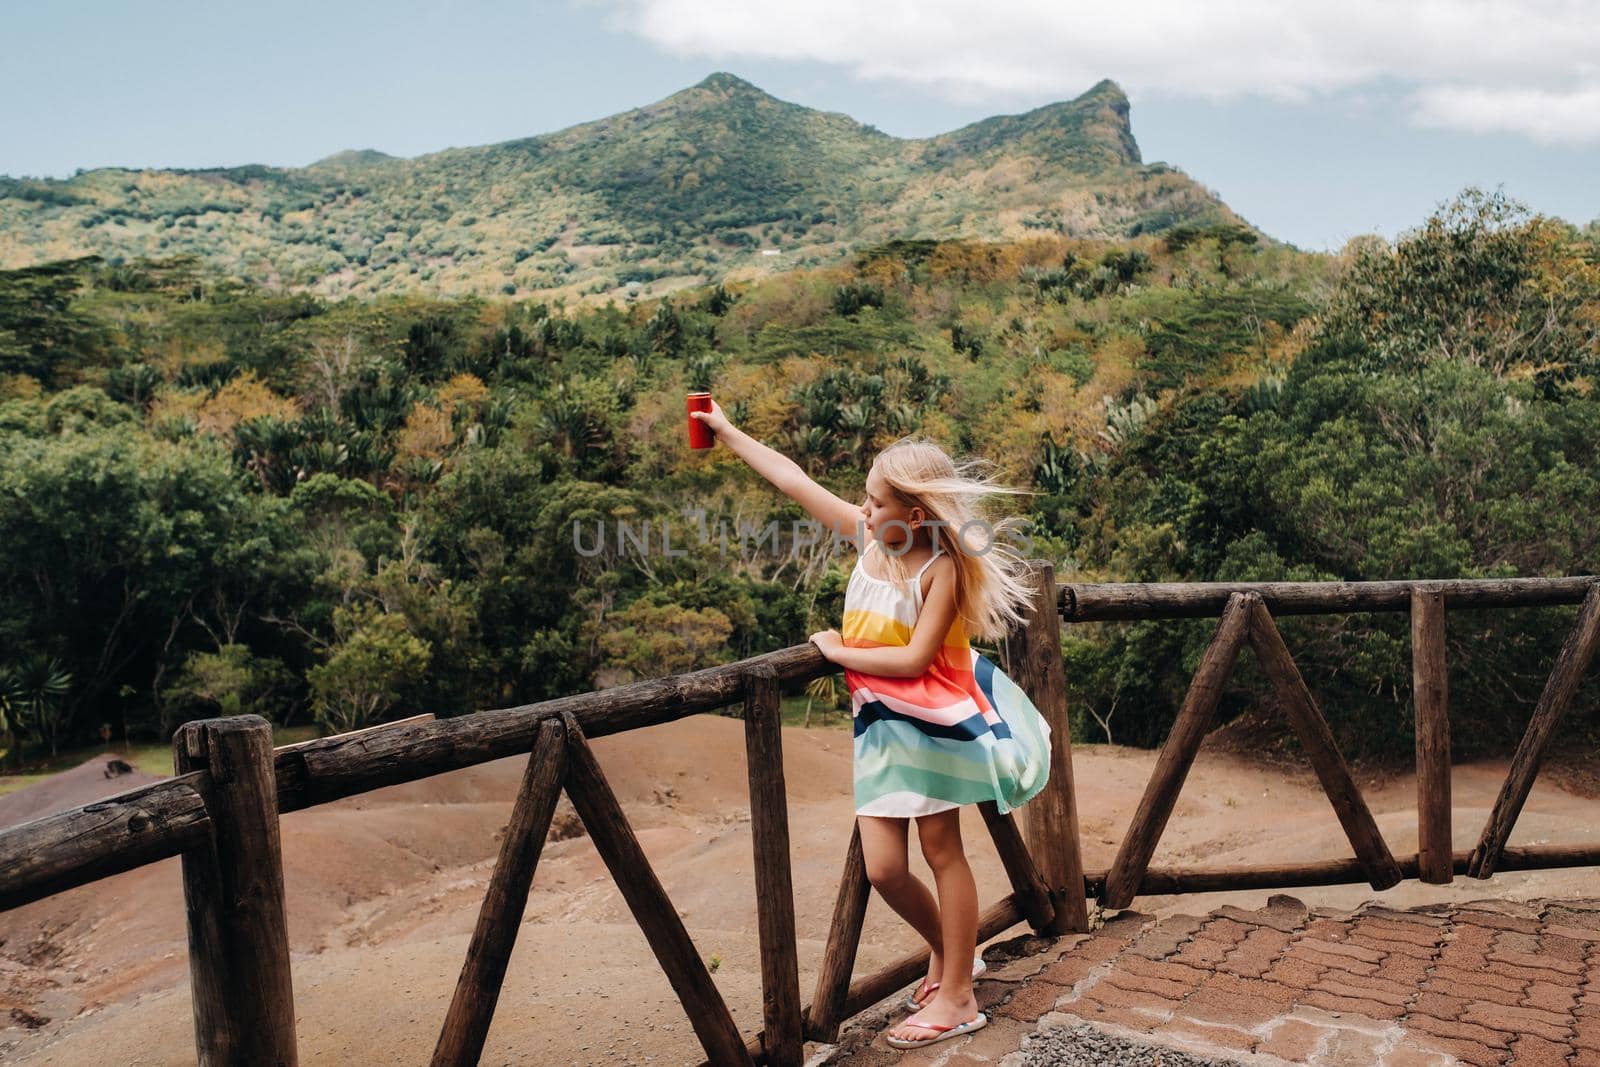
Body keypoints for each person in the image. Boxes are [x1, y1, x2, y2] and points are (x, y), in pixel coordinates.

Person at [690, 400, 1053, 1051]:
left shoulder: (938, 567)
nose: (862, 509)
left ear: (914, 514)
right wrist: (725, 429)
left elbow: (915, 657)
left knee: (944, 852)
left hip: (933, 727)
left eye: (874, 500)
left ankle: (960, 995)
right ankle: (951, 954)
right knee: (885, 868)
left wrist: (839, 651)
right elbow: (791, 479)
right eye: (862, 498)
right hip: (880, 732)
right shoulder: (868, 544)